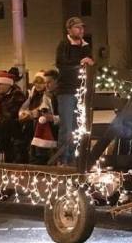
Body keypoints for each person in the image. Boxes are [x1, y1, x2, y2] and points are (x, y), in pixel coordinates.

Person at [55, 17, 94, 165]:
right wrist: (80, 63)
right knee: (67, 126)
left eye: (82, 27)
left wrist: (90, 63)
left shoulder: (85, 46)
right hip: (67, 91)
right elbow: (62, 64)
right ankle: (63, 159)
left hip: (82, 91)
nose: (81, 30)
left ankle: (74, 159)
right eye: (77, 27)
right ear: (69, 30)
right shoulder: (63, 45)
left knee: (79, 127)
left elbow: (90, 62)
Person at [19, 72, 58, 164]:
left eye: (48, 82)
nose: (46, 85)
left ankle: (37, 159)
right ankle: (33, 157)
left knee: (35, 124)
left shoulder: (59, 96)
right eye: (45, 82)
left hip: (53, 124)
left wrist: (51, 118)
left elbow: (64, 117)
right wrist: (28, 114)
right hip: (43, 121)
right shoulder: (41, 95)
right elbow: (41, 109)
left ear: (57, 82)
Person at [0, 71, 26, 163]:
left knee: (5, 123)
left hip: (14, 124)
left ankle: (3, 156)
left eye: (0, 84)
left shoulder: (17, 95)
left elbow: (10, 114)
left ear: (8, 84)